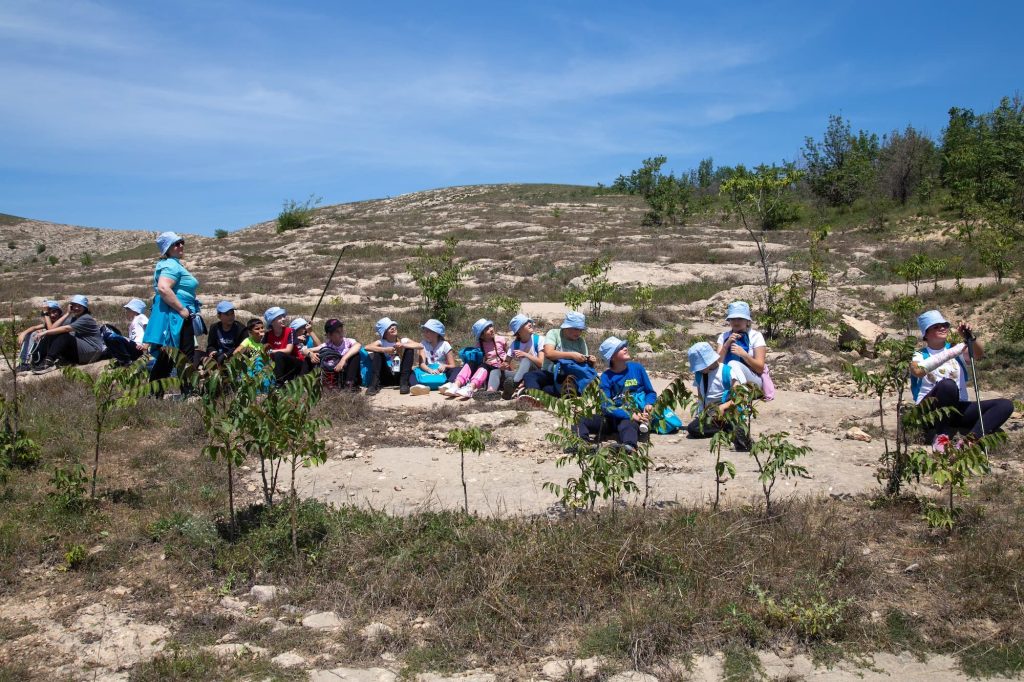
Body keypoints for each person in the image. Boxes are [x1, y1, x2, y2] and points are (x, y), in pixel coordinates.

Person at [910, 310, 1013, 451]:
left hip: (957, 409)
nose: (942, 328)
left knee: (1005, 405)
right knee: (947, 385)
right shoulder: (919, 355)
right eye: (936, 326)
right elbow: (918, 371)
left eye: (944, 325)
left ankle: (970, 441)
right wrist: (952, 352)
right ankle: (941, 436)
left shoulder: (956, 348)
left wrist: (970, 338)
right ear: (926, 334)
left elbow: (978, 354)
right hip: (930, 411)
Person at [574, 337, 656, 451]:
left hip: (633, 417)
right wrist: (629, 414)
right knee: (580, 419)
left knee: (628, 425)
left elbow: (650, 392)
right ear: (612, 357)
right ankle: (581, 444)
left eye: (624, 346)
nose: (625, 348)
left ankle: (629, 446)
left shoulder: (637, 368)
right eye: (620, 348)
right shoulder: (606, 377)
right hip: (611, 419)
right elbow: (605, 406)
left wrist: (648, 404)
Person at [144, 232, 201, 384]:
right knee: (184, 353)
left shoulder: (173, 264)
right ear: (167, 248)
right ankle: (189, 391)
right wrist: (182, 310)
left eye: (181, 242)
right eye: (176, 243)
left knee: (167, 355)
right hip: (176, 316)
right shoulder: (170, 264)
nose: (181, 245)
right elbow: (163, 288)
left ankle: (154, 391)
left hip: (174, 314)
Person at [686, 341, 752, 451]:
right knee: (693, 428)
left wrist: (724, 406)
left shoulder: (726, 372)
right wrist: (700, 414)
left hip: (728, 412)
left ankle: (731, 429)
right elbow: (701, 397)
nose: (699, 370)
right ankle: (724, 430)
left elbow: (740, 397)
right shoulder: (699, 375)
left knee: (737, 429)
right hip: (711, 415)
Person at [29, 295, 104, 374]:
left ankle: (48, 363)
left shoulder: (86, 318)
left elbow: (66, 329)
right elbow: (51, 328)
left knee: (64, 335)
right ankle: (39, 362)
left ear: (85, 307)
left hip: (91, 353)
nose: (76, 308)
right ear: (70, 306)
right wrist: (67, 313)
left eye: (80, 306)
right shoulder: (75, 318)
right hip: (82, 353)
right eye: (74, 305)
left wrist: (45, 332)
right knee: (52, 334)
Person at [536, 311, 598, 396]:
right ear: (567, 327)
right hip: (549, 372)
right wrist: (572, 355)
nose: (579, 333)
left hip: (568, 377)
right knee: (531, 376)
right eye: (576, 329)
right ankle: (531, 398)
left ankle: (539, 395)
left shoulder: (580, 341)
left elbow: (584, 365)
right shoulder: (554, 333)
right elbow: (549, 353)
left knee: (553, 390)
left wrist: (590, 361)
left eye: (581, 330)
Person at [445, 318, 510, 400]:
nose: (491, 329)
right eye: (487, 329)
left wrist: (508, 367)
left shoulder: (500, 340)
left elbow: (509, 357)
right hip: (487, 371)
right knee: (471, 363)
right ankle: (456, 385)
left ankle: (471, 387)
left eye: (490, 326)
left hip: (499, 371)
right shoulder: (479, 345)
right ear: (482, 335)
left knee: (484, 366)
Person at [364, 317, 421, 396]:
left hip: (400, 374)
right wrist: (385, 350)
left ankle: (404, 383)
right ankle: (373, 385)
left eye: (393, 325)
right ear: (384, 333)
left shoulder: (403, 340)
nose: (393, 328)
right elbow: (366, 347)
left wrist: (403, 345)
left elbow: (420, 346)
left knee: (409, 349)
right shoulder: (381, 342)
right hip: (386, 374)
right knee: (377, 352)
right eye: (389, 327)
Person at [716, 301, 766, 389]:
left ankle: (740, 394)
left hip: (752, 379)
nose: (736, 322)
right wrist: (726, 346)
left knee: (733, 363)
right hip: (727, 377)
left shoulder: (756, 336)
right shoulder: (723, 336)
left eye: (740, 318)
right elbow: (717, 365)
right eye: (733, 319)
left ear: (747, 321)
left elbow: (760, 368)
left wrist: (744, 355)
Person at [14, 300, 65, 372]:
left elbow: (50, 329)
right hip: (48, 350)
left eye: (54, 312)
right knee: (31, 333)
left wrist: (45, 313)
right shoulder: (49, 323)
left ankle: (30, 362)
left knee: (38, 334)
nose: (52, 315)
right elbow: (34, 327)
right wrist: (24, 333)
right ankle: (24, 363)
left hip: (59, 353)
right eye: (49, 313)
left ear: (59, 312)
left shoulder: (63, 321)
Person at [314, 318, 362, 391]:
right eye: (337, 332)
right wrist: (310, 354)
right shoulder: (327, 345)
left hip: (348, 373)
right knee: (314, 357)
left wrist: (343, 359)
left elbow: (358, 345)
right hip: (335, 373)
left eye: (341, 330)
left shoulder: (348, 341)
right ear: (329, 335)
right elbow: (305, 350)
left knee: (355, 355)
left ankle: (349, 384)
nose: (341, 333)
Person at [506, 314, 545, 403]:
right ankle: (492, 391)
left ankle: (514, 385)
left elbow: (541, 363)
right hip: (521, 374)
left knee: (526, 360)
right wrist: (504, 365)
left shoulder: (539, 340)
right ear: (519, 331)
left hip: (537, 372)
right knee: (497, 372)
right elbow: (507, 362)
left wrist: (525, 354)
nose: (529, 323)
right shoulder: (515, 344)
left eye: (529, 321)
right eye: (525, 323)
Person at [413, 319, 458, 396]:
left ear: (436, 333)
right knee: (413, 372)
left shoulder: (445, 344)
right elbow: (422, 363)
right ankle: (420, 387)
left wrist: (444, 366)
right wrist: (429, 370)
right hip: (427, 370)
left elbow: (452, 365)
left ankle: (448, 385)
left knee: (456, 370)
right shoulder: (422, 344)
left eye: (428, 331)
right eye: (425, 331)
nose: (425, 333)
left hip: (442, 371)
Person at [262, 307, 306, 384]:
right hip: (277, 364)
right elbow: (262, 350)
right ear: (272, 322)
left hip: (295, 362)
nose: (283, 319)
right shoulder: (268, 335)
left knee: (279, 355)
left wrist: (272, 351)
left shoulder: (290, 331)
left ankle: (279, 383)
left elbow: (288, 350)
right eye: (279, 317)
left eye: (283, 316)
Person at [103, 298, 150, 366]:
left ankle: (126, 361)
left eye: (128, 309)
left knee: (113, 336)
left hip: (138, 346)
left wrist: (146, 345)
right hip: (134, 346)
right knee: (107, 337)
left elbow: (149, 330)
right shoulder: (134, 321)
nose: (127, 311)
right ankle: (123, 359)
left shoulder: (141, 317)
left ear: (134, 310)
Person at [205, 301, 246, 365]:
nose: (231, 317)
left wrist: (226, 355)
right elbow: (211, 345)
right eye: (227, 314)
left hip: (234, 358)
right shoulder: (214, 328)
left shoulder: (241, 329)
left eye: (232, 313)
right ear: (219, 316)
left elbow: (243, 347)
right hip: (218, 357)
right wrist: (212, 351)